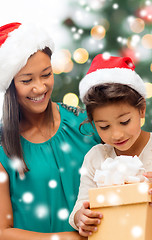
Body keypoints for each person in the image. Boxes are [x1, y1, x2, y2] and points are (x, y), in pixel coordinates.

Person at [0, 22, 101, 240]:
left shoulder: (85, 123)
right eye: (27, 80)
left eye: (46, 74)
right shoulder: (2, 148)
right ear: (9, 85)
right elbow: (2, 231)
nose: (40, 88)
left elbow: (132, 172)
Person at [69, 54, 152, 239]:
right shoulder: (96, 158)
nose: (116, 134)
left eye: (125, 122)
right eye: (104, 126)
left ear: (142, 109)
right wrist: (80, 217)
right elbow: (82, 204)